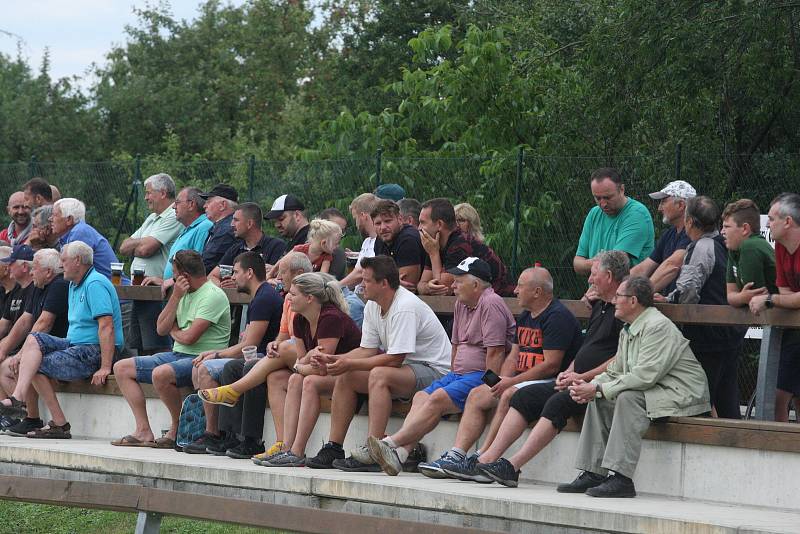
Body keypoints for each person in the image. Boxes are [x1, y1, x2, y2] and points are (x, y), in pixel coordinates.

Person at [473, 251, 628, 487]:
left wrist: (581, 376)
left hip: (599, 383)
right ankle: (485, 460)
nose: (589, 280)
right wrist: (570, 372)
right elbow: (587, 349)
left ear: (608, 276)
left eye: (593, 274)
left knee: (556, 402)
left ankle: (511, 466)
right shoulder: (601, 305)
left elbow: (621, 357)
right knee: (524, 396)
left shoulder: (623, 309)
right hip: (576, 378)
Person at [553, 276, 709, 498]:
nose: (614, 300)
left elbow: (644, 377)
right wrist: (590, 385)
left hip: (682, 393)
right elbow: (616, 371)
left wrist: (597, 388)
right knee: (601, 397)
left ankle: (621, 478)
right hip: (657, 389)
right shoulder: (629, 328)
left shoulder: (656, 326)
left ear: (633, 300)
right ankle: (594, 472)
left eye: (619, 296)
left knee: (627, 397)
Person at [426, 267, 583, 482]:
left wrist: (511, 382)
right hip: (520, 379)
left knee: (508, 394)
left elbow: (551, 365)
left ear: (537, 292)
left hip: (550, 381)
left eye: (520, 285)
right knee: (477, 393)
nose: (515, 290)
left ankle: (484, 458)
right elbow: (513, 356)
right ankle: (457, 455)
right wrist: (498, 380)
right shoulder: (527, 315)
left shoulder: (557, 317)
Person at [367, 257, 515, 476]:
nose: (452, 286)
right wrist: (454, 376)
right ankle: (400, 456)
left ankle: (389, 443)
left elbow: (496, 353)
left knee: (437, 398)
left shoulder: (490, 303)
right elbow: (455, 345)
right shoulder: (461, 303)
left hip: (481, 375)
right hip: (459, 374)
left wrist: (488, 386)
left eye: (458, 281)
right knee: (421, 398)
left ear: (476, 285)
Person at [200, 272, 361, 468]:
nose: (287, 297)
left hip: (346, 375)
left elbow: (320, 368)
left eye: (293, 294)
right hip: (321, 372)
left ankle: (235, 391)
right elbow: (304, 361)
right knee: (280, 377)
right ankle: (286, 447)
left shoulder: (330, 317)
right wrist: (301, 364)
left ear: (309, 298)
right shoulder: (300, 320)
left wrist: (301, 365)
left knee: (296, 367)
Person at [314, 255, 452, 472]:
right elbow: (367, 350)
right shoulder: (372, 305)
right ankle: (334, 446)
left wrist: (349, 363)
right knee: (346, 377)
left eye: (367, 281)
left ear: (384, 283)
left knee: (379, 375)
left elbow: (395, 358)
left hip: (435, 371)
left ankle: (374, 450)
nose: (361, 285)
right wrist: (337, 360)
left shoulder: (404, 305)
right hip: (407, 370)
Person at [0, 241, 124, 439]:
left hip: (94, 349)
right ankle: (18, 397)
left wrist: (105, 366)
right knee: (34, 338)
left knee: (35, 363)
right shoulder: (74, 285)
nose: (61, 265)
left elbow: (106, 326)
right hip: (75, 345)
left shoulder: (94, 283)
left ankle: (58, 422)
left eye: (64, 260)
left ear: (77, 261)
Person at [112, 250, 231, 448]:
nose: (172, 277)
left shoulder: (212, 295)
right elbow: (160, 328)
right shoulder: (181, 292)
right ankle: (143, 430)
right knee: (122, 368)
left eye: (174, 273)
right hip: (177, 354)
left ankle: (176, 428)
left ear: (184, 275)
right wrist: (175, 297)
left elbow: (190, 338)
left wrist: (174, 330)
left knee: (161, 374)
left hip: (201, 358)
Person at [182, 251, 283, 458]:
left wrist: (216, 355)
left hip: (266, 358)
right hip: (258, 356)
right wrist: (216, 354)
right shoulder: (259, 296)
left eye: (236, 272)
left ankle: (250, 439)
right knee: (231, 367)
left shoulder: (264, 298)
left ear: (250, 273)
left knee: (236, 367)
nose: (232, 277)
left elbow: (251, 344)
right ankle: (229, 435)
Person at [664, 196, 744, 419]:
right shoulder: (724, 244)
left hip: (708, 337)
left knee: (698, 399)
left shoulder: (702, 247)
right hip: (730, 334)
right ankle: (733, 446)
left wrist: (668, 300)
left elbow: (687, 291)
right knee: (726, 399)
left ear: (689, 221)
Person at [0, 248, 69, 435]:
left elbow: (45, 323)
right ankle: (30, 418)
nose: (31, 272)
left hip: (63, 344)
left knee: (27, 362)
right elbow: (25, 320)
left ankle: (24, 408)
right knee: (6, 366)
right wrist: (3, 349)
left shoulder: (59, 285)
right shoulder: (38, 286)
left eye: (35, 268)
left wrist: (21, 353)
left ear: (48, 272)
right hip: (43, 346)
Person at [750, 193, 800, 422]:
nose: (768, 224)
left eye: (771, 219)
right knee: (781, 394)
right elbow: (789, 295)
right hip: (794, 329)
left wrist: (769, 300)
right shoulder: (780, 247)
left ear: (788, 221)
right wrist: (782, 300)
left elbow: (786, 298)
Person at [119, 174, 183, 354]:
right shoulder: (152, 218)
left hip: (157, 292)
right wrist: (140, 245)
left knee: (156, 346)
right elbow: (124, 246)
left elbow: (147, 249)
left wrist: (140, 245)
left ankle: (157, 381)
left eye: (149, 193)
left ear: (162, 193)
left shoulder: (173, 216)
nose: (146, 197)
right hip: (140, 290)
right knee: (140, 346)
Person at [417, 198, 513, 296]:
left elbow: (445, 288)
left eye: (422, 222)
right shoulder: (434, 244)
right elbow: (421, 285)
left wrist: (434, 254)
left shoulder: (460, 243)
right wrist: (428, 288)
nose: (418, 228)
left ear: (439, 224)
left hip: (500, 302)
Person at [573, 167, 655, 275]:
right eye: (597, 198)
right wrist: (596, 262)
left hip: (627, 290)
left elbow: (615, 265)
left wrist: (591, 263)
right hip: (599, 289)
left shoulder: (637, 214)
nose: (603, 204)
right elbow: (577, 264)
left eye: (607, 197)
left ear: (622, 189)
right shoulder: (594, 213)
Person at [141, 187, 213, 292]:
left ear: (191, 205)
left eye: (177, 202)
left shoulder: (204, 227)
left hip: (187, 296)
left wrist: (174, 281)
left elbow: (197, 267)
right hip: (175, 292)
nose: (174, 207)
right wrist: (164, 281)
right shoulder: (188, 229)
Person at [630, 180, 696, 292]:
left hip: (692, 306)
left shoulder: (694, 232)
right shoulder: (669, 234)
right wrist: (618, 286)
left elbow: (672, 265)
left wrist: (640, 294)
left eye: (664, 202)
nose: (659, 208)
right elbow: (644, 268)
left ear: (680, 205)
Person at [210, 203, 285, 287]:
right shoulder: (235, 249)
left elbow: (276, 281)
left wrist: (239, 284)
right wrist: (222, 286)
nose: (231, 224)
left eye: (236, 220)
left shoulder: (275, 246)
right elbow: (212, 276)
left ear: (249, 223)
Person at [722, 199, 777, 308]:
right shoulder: (733, 249)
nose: (722, 231)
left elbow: (756, 298)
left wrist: (740, 298)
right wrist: (741, 297)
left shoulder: (750, 246)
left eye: (727, 227)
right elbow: (730, 295)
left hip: (782, 319)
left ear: (745, 229)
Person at [51, 198, 120, 279]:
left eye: (54, 215)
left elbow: (71, 269)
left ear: (69, 219)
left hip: (114, 288)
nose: (50, 219)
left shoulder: (80, 232)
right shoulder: (71, 234)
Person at [371, 200, 426, 291]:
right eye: (378, 223)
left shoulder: (408, 239)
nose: (383, 227)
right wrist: (392, 282)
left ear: (400, 220)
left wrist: (380, 281)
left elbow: (408, 286)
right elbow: (374, 278)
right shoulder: (380, 240)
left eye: (388, 221)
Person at [338, 193, 378, 290]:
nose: (356, 224)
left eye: (355, 218)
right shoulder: (367, 242)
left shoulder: (380, 242)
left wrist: (334, 287)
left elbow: (360, 274)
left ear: (363, 216)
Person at [0, 245, 37, 343]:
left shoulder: (36, 289)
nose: (8, 267)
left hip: (25, 348)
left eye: (11, 263)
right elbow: (4, 323)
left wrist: (4, 349)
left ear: (24, 266)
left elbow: (25, 323)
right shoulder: (16, 289)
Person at [199, 184, 238, 274]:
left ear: (222, 205)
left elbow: (207, 263)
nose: (204, 206)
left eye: (209, 202)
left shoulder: (225, 230)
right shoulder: (220, 227)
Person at [317, 207, 348, 280]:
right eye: (336, 228)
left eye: (342, 231)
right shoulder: (304, 247)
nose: (340, 234)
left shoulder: (337, 253)